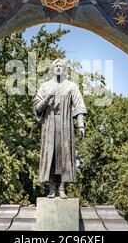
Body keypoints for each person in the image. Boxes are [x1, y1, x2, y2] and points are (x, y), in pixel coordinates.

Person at [33, 59, 87, 199]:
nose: (58, 67)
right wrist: (46, 100)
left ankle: (62, 188)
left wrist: (81, 124)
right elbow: (37, 108)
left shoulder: (71, 86)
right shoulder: (45, 86)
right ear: (52, 69)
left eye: (60, 66)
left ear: (64, 69)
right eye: (56, 66)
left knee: (65, 157)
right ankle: (51, 189)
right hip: (49, 125)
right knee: (50, 156)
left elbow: (79, 106)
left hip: (65, 125)